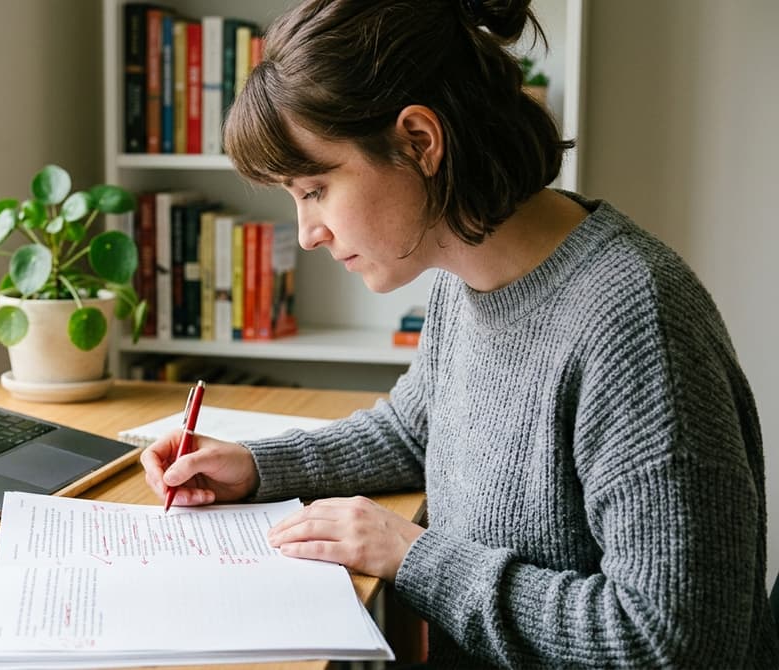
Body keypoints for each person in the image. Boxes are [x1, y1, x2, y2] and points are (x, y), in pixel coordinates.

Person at [138, 0, 779, 666]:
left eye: (316, 188)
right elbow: (417, 431)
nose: (308, 233)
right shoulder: (463, 272)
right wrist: (258, 466)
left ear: (419, 142)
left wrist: (413, 555)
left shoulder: (634, 323)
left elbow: (674, 642)